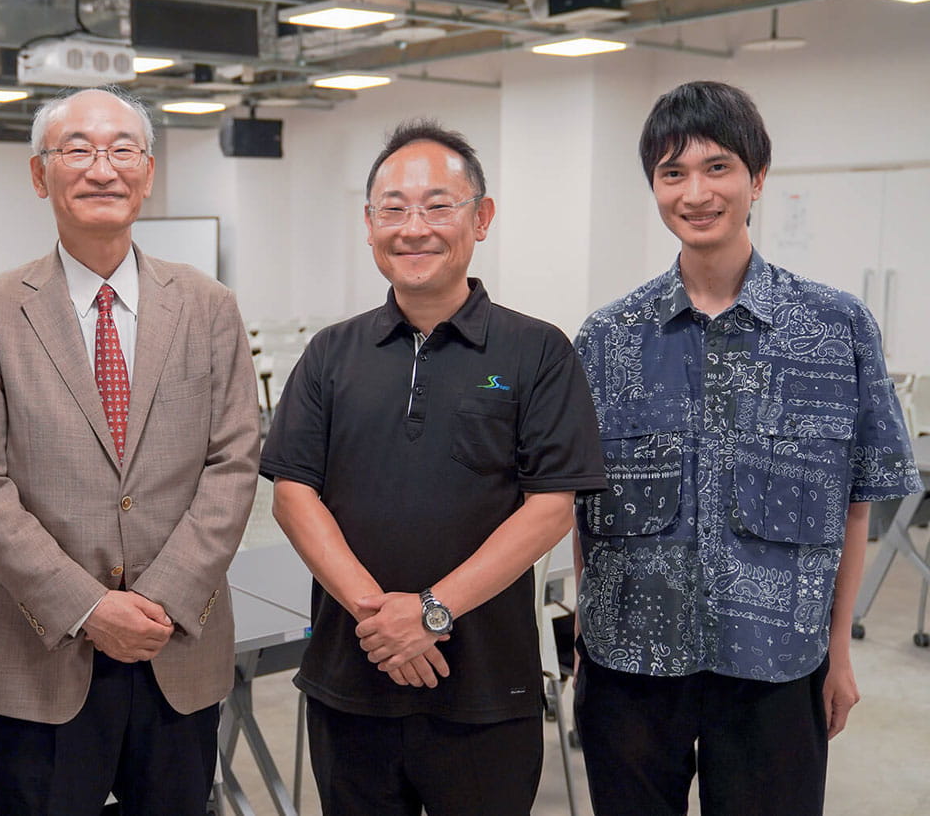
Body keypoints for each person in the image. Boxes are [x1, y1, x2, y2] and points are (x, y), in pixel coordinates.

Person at [572, 80, 923, 816]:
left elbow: (855, 504)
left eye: (717, 167)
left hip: (778, 665)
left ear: (757, 178)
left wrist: (839, 652)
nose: (696, 193)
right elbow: (582, 508)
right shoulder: (607, 338)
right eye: (672, 173)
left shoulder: (835, 329)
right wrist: (582, 640)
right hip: (631, 666)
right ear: (654, 187)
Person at [258, 119, 606, 815]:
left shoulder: (538, 352)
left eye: (437, 206)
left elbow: (550, 509)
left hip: (485, 694)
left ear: (482, 218)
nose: (413, 228)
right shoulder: (330, 355)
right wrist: (383, 620)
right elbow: (294, 496)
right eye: (393, 208)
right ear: (369, 225)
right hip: (350, 682)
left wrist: (431, 611)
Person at [0, 86, 260, 815]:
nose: (102, 168)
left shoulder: (209, 306)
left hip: (178, 645)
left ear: (147, 174)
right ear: (39, 174)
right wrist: (88, 607)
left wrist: (158, 598)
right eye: (77, 150)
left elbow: (236, 462)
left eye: (122, 150)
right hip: (42, 655)